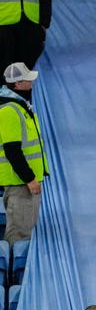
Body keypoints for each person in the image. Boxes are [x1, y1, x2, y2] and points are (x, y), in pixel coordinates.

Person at [0, 62, 43, 244]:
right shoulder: (10, 111)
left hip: (22, 181)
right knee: (19, 236)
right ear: (17, 84)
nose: (31, 82)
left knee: (23, 230)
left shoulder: (20, 106)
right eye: (27, 80)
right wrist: (29, 178)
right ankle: (14, 272)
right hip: (20, 183)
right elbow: (13, 151)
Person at [0, 0, 50, 71]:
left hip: (30, 25)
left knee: (24, 76)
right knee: (3, 74)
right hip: (2, 26)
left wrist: (44, 24)